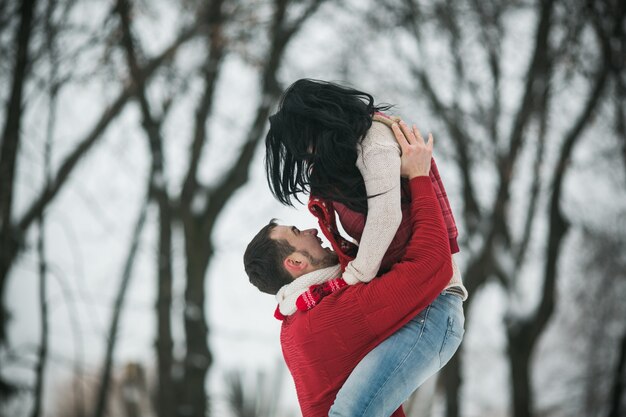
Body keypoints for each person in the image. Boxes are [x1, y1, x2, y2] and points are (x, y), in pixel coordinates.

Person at [264, 79, 467, 415]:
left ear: (318, 122)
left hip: (431, 304)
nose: (306, 155)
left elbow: (387, 216)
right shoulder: (338, 164)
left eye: (303, 144)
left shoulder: (375, 141)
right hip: (404, 305)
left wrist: (353, 280)